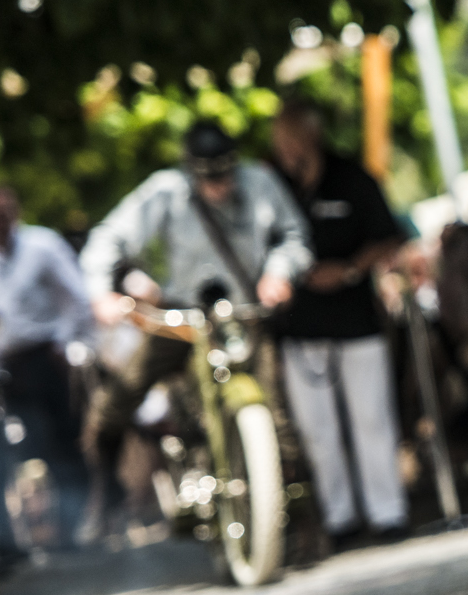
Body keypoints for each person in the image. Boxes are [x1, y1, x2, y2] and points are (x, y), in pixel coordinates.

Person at [78, 120, 311, 537]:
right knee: (116, 401)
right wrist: (102, 293)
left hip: (243, 316)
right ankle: (106, 492)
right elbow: (108, 238)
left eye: (224, 175)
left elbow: (294, 237)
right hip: (183, 318)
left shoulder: (261, 183)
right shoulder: (165, 192)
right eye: (209, 178)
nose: (218, 186)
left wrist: (280, 272)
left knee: (277, 415)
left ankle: (292, 513)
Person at [269, 100, 409, 542]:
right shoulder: (272, 187)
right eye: (280, 142)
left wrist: (348, 270)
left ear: (312, 136)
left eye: (292, 140)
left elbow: (387, 236)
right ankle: (339, 518)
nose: (286, 151)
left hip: (355, 319)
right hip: (301, 326)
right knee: (317, 430)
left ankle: (387, 512)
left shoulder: (351, 177)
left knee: (372, 419)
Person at [0, 184, 92, 541]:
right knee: (27, 444)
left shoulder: (43, 245)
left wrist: (63, 343)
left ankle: (77, 521)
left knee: (62, 439)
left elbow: (76, 298)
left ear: (15, 211)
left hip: (45, 357)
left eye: (2, 210)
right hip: (9, 367)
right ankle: (44, 526)